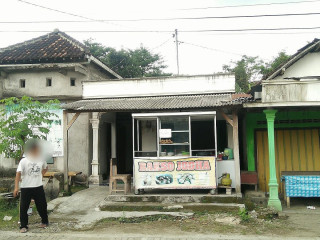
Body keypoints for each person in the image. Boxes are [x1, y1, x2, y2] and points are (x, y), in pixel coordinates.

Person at [13, 139, 49, 233]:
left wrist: (41, 175)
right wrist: (16, 187)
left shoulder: (41, 159)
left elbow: (46, 168)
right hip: (26, 187)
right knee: (24, 207)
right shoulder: (24, 161)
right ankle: (23, 226)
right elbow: (18, 174)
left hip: (38, 186)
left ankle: (45, 221)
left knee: (42, 205)